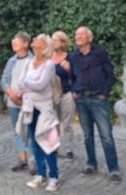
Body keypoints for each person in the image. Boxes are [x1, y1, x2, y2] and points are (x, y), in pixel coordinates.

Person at [69, 26, 121, 182]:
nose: (77, 37)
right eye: (76, 35)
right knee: (87, 135)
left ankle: (113, 168)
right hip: (81, 100)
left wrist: (104, 94)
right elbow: (72, 76)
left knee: (106, 136)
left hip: (98, 99)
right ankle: (91, 163)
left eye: (81, 35)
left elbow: (110, 76)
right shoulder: (74, 57)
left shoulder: (100, 53)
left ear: (89, 38)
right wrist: (74, 91)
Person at [17, 34, 60, 192]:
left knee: (48, 142)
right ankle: (41, 175)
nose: (34, 42)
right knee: (34, 143)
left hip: (43, 110)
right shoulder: (28, 63)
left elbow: (41, 85)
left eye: (37, 40)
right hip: (29, 108)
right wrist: (29, 85)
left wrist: (27, 85)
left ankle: (54, 177)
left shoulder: (49, 64)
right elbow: (20, 83)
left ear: (44, 46)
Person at [0, 31, 36, 174]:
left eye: (17, 40)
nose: (13, 42)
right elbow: (4, 79)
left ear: (26, 44)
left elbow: (34, 81)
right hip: (12, 101)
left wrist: (22, 97)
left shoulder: (33, 60)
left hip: (27, 102)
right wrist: (11, 94)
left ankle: (33, 161)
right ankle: (22, 159)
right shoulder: (11, 61)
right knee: (17, 131)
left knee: (30, 131)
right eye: (13, 40)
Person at [51, 31, 76, 161]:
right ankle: (54, 148)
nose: (53, 42)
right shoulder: (48, 57)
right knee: (54, 123)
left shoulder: (69, 57)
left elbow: (77, 76)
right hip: (52, 95)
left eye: (56, 40)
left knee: (67, 124)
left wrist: (69, 69)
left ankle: (69, 150)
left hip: (66, 94)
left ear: (63, 42)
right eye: (52, 40)